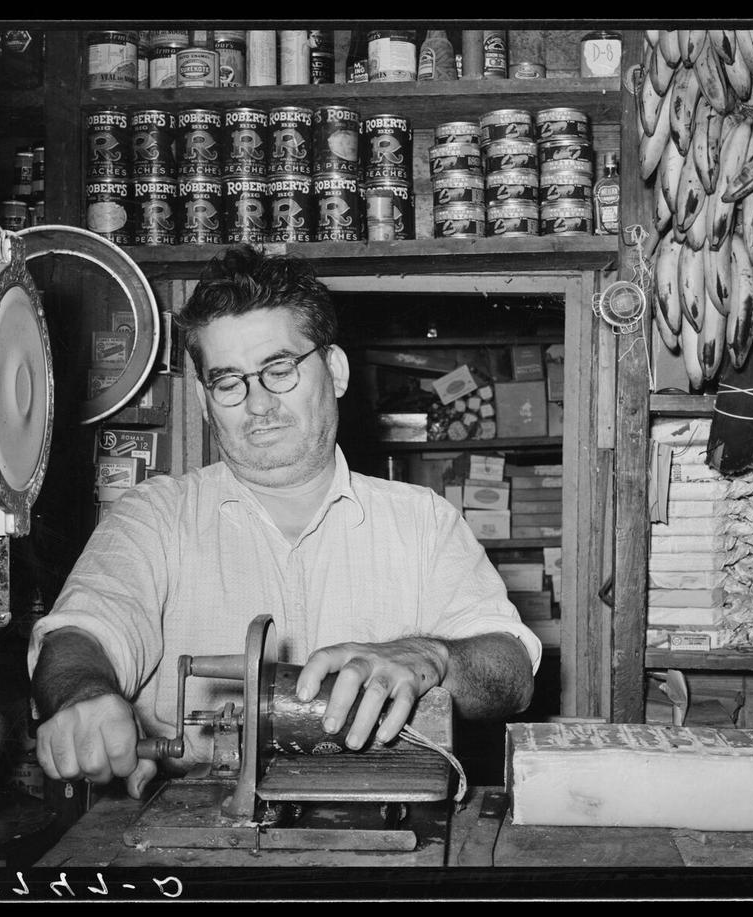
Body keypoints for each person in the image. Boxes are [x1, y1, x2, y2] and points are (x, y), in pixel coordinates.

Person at [28, 246, 541, 799]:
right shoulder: (154, 518)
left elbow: (511, 674)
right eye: (228, 382)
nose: (257, 404)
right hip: (197, 831)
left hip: (388, 826)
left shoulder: (423, 522)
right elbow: (82, 631)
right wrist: (82, 695)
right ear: (204, 400)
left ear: (335, 371)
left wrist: (432, 656)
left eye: (280, 370)